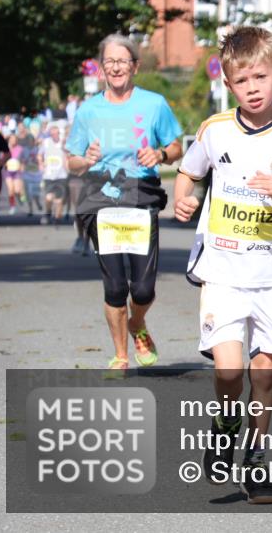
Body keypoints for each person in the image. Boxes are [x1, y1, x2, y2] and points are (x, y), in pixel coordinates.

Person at [174, 27, 272, 505]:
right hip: (223, 273)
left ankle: (256, 459)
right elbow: (189, 170)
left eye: (261, 76)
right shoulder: (216, 129)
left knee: (265, 375)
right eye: (242, 80)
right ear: (228, 84)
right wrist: (183, 200)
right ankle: (224, 426)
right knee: (229, 370)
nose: (253, 87)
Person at [66, 33, 183, 371]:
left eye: (122, 61)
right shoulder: (88, 111)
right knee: (115, 284)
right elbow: (72, 161)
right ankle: (120, 354)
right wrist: (85, 159)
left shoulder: (154, 104)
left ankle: (138, 323)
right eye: (109, 62)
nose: (116, 68)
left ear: (135, 66)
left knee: (143, 288)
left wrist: (159, 153)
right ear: (102, 68)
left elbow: (176, 149)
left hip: (141, 194)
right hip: (100, 196)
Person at [39, 123, 69, 224]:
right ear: (50, 133)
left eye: (56, 133)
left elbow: (68, 153)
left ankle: (57, 218)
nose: (55, 135)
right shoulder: (46, 142)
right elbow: (39, 155)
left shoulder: (63, 142)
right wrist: (41, 163)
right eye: (52, 133)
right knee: (48, 197)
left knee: (59, 200)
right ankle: (47, 213)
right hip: (49, 175)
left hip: (61, 175)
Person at [3, 134, 27, 214]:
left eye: (15, 139)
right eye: (12, 139)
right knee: (10, 190)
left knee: (17, 190)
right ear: (9, 140)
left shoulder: (20, 149)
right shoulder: (5, 148)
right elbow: (1, 159)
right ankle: (12, 206)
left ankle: (20, 196)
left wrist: (22, 166)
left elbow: (24, 159)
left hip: (17, 171)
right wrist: (4, 163)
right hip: (8, 171)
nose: (13, 141)